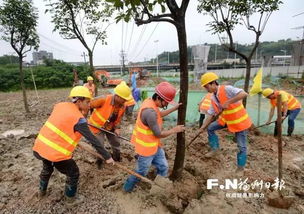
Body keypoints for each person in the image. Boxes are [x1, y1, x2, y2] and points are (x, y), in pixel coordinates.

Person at [32, 86, 114, 204]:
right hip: (56, 153)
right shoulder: (78, 120)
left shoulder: (60, 106)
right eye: (87, 102)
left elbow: (61, 124)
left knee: (47, 168)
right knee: (73, 172)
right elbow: (94, 140)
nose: (89, 104)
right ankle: (70, 199)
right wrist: (107, 157)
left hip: (41, 146)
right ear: (79, 101)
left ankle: (41, 192)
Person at [123, 82, 185, 192]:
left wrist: (174, 109)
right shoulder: (149, 112)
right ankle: (126, 189)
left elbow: (159, 114)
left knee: (163, 167)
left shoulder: (150, 103)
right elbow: (158, 134)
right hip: (145, 149)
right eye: (165, 103)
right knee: (141, 172)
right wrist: (174, 130)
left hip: (154, 146)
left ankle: (158, 188)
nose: (166, 105)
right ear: (158, 98)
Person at [199, 72, 252, 171]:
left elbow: (244, 94)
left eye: (207, 87)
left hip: (239, 122)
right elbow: (210, 114)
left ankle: (240, 168)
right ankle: (215, 149)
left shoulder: (227, 89)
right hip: (226, 120)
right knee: (210, 128)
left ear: (213, 83)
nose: (206, 89)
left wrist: (228, 101)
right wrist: (202, 127)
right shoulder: (213, 97)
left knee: (241, 146)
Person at [89, 81, 132, 164]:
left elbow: (119, 119)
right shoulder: (104, 99)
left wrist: (117, 128)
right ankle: (99, 162)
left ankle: (117, 158)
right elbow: (89, 104)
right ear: (118, 96)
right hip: (97, 127)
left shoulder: (123, 106)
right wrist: (84, 115)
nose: (125, 101)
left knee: (116, 142)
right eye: (124, 99)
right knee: (99, 145)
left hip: (110, 126)